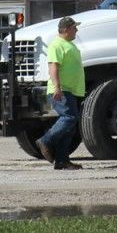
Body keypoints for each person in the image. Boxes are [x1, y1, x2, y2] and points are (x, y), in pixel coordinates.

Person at [35, 16, 85, 170]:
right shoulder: (57, 45)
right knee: (69, 118)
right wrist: (57, 87)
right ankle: (45, 140)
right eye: (74, 27)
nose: (76, 30)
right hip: (62, 90)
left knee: (70, 125)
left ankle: (62, 160)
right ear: (66, 29)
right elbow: (53, 67)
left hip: (71, 90)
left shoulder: (69, 44)